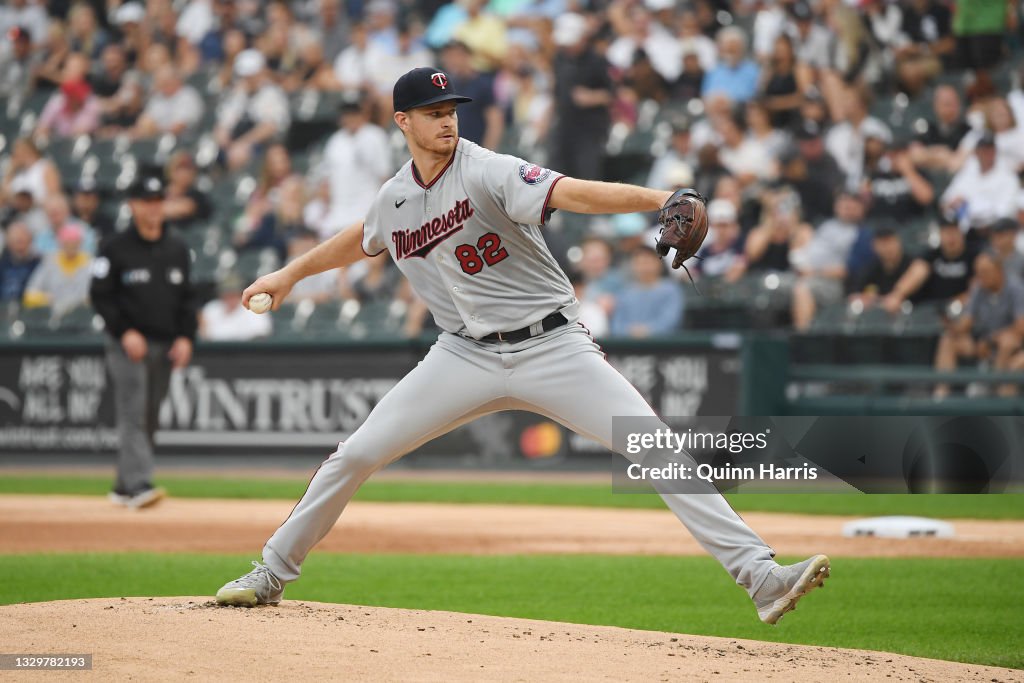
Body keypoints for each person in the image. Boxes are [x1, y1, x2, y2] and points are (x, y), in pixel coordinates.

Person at [214, 66, 830, 624]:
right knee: (354, 455)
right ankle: (271, 573)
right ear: (403, 122)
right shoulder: (395, 197)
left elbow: (576, 191)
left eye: (450, 107)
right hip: (462, 354)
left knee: (655, 447)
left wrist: (657, 200)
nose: (446, 117)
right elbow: (364, 236)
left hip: (553, 346)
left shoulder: (488, 168)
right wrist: (290, 274)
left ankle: (762, 578)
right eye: (432, 111)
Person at [89, 175, 198, 510]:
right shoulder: (114, 246)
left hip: (165, 344)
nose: (153, 208)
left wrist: (185, 336)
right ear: (132, 205)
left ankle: (123, 486)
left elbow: (187, 299)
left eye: (157, 201)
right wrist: (124, 331)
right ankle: (138, 485)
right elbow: (100, 295)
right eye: (146, 202)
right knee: (134, 411)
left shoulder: (178, 248)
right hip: (128, 345)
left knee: (150, 415)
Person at [933, 252, 1024, 398]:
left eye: (985, 271)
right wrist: (952, 326)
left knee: (1007, 341)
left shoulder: (1016, 288)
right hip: (983, 343)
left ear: (998, 270)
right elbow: (967, 322)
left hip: (1012, 345)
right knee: (948, 339)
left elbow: (1021, 327)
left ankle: (998, 393)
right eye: (978, 272)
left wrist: (990, 340)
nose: (981, 276)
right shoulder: (979, 288)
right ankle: (941, 395)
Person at [21, 223, 92, 315]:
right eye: (67, 243)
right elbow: (29, 294)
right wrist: (45, 298)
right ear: (60, 243)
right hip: (52, 316)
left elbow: (96, 295)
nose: (70, 246)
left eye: (74, 243)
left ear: (80, 243)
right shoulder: (49, 263)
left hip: (82, 316)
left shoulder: (90, 263)